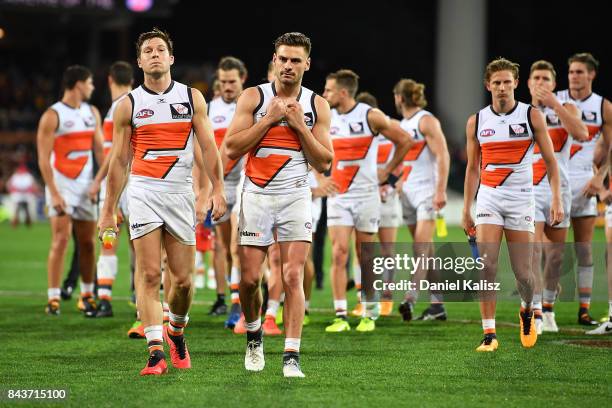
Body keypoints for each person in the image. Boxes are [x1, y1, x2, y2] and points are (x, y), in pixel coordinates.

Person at [98, 28, 226, 376]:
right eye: (148, 51)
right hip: (142, 192)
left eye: (160, 49)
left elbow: (209, 148)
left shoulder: (192, 98)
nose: (154, 54)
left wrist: (216, 189)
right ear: (139, 61)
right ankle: (155, 351)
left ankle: (176, 332)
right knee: (150, 272)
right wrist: (108, 209)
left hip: (180, 193)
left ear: (170, 58)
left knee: (183, 281)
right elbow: (119, 161)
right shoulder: (128, 105)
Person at [225, 32, 333, 378]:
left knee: (292, 275)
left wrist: (301, 125)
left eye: (296, 60)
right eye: (283, 59)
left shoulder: (317, 105)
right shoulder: (253, 97)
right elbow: (231, 147)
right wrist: (269, 119)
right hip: (256, 194)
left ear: (307, 64)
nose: (288, 66)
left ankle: (291, 356)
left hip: (296, 195)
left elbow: (325, 162)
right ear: (274, 59)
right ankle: (254, 336)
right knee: (249, 278)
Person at [462, 57, 563, 352]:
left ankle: (526, 308)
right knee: (487, 264)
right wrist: (467, 207)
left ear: (516, 83)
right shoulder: (477, 121)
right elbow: (471, 168)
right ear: (488, 86)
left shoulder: (531, 116)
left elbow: (551, 162)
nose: (503, 88)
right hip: (489, 198)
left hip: (521, 199)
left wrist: (556, 197)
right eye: (497, 83)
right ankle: (489, 334)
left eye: (507, 82)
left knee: (524, 275)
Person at [322, 69, 412, 333]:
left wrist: (388, 170)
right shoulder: (326, 117)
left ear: (342, 92)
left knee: (366, 256)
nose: (324, 95)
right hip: (339, 196)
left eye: (328, 90)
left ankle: (369, 312)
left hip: (366, 197)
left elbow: (404, 141)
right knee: (339, 253)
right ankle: (340, 315)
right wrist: (319, 178)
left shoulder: (369, 115)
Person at [526, 60, 588, 333]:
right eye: (536, 78)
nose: (540, 83)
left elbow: (582, 133)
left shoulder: (567, 109)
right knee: (534, 249)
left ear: (554, 84)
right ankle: (536, 311)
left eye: (546, 79)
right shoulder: (522, 113)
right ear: (528, 83)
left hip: (558, 190)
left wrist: (555, 105)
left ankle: (549, 306)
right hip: (528, 189)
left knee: (555, 258)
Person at [37, 65, 103, 317]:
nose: (92, 87)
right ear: (78, 84)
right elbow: (43, 159)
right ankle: (53, 297)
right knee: (61, 240)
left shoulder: (91, 112)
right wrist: (53, 192)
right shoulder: (53, 115)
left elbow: (99, 151)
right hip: (62, 184)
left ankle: (86, 295)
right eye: (89, 83)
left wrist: (98, 181)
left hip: (86, 186)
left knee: (87, 243)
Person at [554, 53, 612, 326]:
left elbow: (610, 147)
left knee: (584, 249)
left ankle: (584, 309)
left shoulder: (603, 107)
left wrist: (600, 177)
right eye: (571, 71)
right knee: (551, 248)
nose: (574, 76)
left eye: (579, 72)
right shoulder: (555, 99)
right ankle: (547, 300)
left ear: (591, 75)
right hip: (556, 182)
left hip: (586, 183)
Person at [393, 79, 450, 322]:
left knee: (420, 246)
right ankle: (437, 306)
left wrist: (440, 191)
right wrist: (399, 181)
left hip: (427, 191)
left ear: (400, 97)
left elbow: (443, 155)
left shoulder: (425, 120)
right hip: (407, 192)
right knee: (427, 250)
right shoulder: (403, 124)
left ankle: (410, 298)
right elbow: (411, 161)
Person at [88, 61, 135, 318]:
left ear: (109, 80)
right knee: (138, 242)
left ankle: (104, 299)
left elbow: (115, 153)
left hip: (119, 182)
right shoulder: (134, 102)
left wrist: (97, 179)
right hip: (137, 181)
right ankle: (139, 295)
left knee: (109, 240)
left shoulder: (118, 108)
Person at [208, 56, 248, 319]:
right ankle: (225, 296)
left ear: (242, 79)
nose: (228, 86)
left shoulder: (253, 105)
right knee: (222, 246)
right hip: (221, 185)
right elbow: (204, 151)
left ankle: (237, 302)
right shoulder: (209, 108)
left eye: (232, 81)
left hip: (246, 181)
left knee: (237, 244)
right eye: (223, 82)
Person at [7, 163, 39, 227]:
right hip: (17, 193)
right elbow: (8, 185)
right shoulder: (15, 176)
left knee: (30, 206)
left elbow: (34, 186)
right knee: (14, 207)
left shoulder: (28, 176)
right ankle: (14, 220)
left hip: (27, 194)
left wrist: (35, 192)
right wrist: (11, 190)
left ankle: (29, 220)